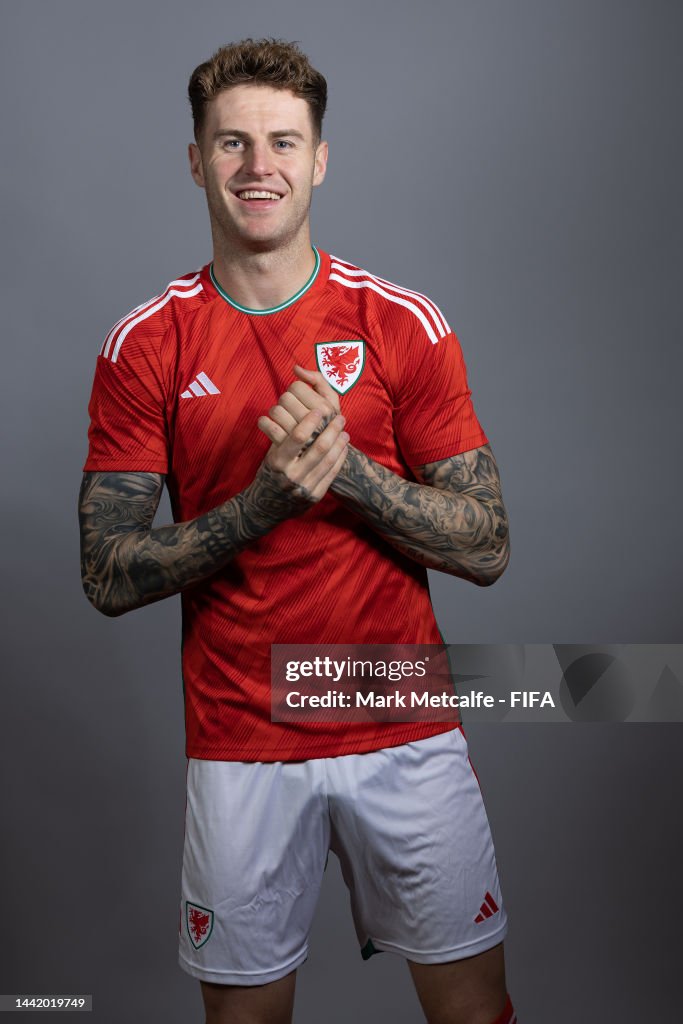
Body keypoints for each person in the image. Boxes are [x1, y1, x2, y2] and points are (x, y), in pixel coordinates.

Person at [79, 38, 514, 1024]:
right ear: (196, 160)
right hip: (241, 739)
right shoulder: (147, 343)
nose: (257, 165)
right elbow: (105, 572)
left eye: (282, 141)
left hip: (402, 725)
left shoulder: (399, 322)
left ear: (319, 159)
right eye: (231, 142)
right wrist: (259, 505)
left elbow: (487, 544)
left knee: (472, 1010)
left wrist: (347, 474)